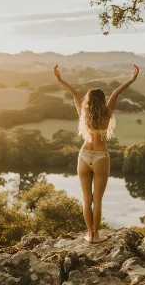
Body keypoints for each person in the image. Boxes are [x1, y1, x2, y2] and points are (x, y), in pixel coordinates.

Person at [54, 64, 139, 243]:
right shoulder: (107, 112)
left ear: (88, 100)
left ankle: (89, 236)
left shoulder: (83, 113)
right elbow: (116, 93)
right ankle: (97, 235)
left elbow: (75, 94)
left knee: (86, 200)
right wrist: (132, 79)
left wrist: (60, 80)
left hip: (84, 155)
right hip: (101, 156)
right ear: (102, 100)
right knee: (97, 200)